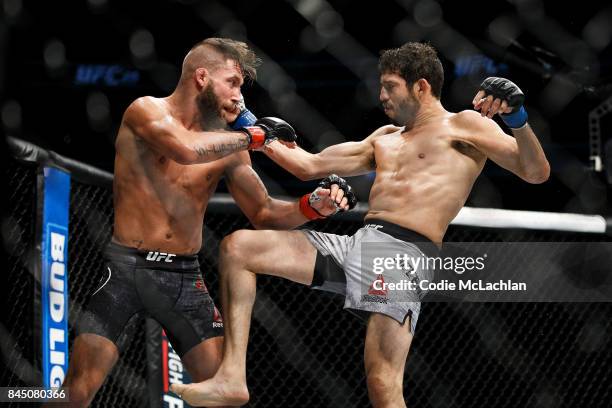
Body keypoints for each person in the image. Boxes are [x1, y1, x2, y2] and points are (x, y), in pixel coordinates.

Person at [170, 42, 550, 407]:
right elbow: (308, 165)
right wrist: (248, 122)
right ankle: (232, 378)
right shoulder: (385, 139)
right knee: (239, 248)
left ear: (421, 86)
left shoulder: (464, 124)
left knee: (383, 385)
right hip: (359, 245)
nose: (382, 96)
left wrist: (517, 120)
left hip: (403, 255)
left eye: (390, 87)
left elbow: (535, 173)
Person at [57, 37, 356, 407]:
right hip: (126, 269)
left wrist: (312, 207)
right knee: (74, 394)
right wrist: (254, 136)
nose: (240, 97)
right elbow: (184, 149)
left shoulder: (230, 145)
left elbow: (263, 213)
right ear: (201, 77)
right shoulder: (146, 111)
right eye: (232, 82)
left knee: (223, 395)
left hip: (185, 277)